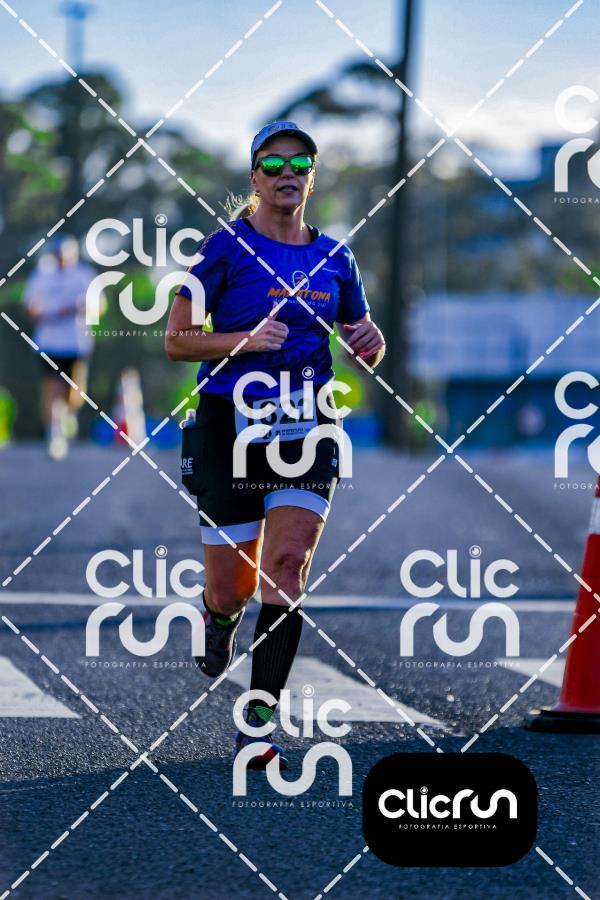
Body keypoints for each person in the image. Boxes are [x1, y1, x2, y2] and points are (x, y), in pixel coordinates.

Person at [166, 121, 385, 768]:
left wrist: (370, 344)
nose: (287, 173)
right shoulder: (222, 249)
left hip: (308, 423)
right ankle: (217, 618)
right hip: (228, 425)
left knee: (286, 566)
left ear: (311, 178)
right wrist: (241, 342)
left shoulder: (337, 258)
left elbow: (361, 337)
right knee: (232, 589)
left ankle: (257, 727)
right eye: (273, 163)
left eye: (300, 164)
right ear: (255, 177)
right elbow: (176, 341)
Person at [24, 235, 96, 459]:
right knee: (51, 390)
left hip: (76, 343)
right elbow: (30, 307)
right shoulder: (41, 276)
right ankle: (54, 435)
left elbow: (97, 305)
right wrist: (43, 313)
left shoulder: (84, 275)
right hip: (48, 343)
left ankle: (67, 417)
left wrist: (77, 309)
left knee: (74, 394)